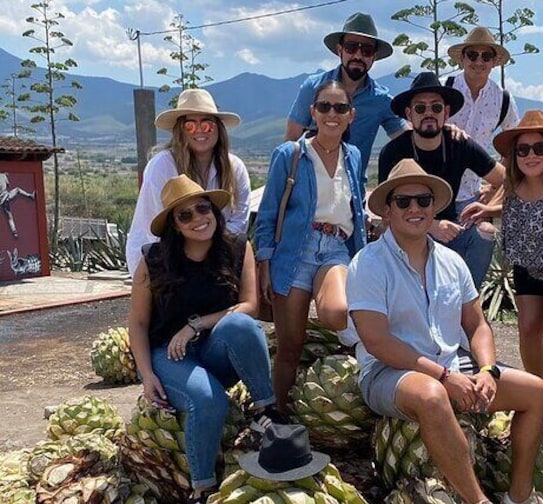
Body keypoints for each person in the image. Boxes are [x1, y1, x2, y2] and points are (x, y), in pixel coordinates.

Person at [346, 159, 543, 504]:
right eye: (404, 201)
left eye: (423, 200)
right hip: (390, 374)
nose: (414, 209)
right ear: (387, 209)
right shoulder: (368, 264)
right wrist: (444, 375)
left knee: (538, 392)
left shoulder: (452, 262)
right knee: (431, 395)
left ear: (434, 207)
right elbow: (376, 340)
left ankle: (519, 499)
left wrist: (486, 368)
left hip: (455, 368)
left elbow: (478, 325)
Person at [127, 175, 285, 504]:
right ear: (174, 226)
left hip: (215, 349)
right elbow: (137, 323)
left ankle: (266, 411)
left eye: (203, 208)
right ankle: (200, 493)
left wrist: (195, 324)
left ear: (214, 209)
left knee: (239, 325)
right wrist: (146, 375)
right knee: (207, 398)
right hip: (170, 356)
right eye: (185, 215)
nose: (198, 218)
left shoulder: (236, 247)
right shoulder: (153, 261)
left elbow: (249, 306)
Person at [460, 109, 543, 443]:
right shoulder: (514, 184)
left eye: (538, 148)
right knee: (528, 330)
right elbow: (522, 208)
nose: (530, 155)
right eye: (522, 149)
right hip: (529, 266)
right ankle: (538, 390)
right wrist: (490, 209)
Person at [256, 81, 367, 414]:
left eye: (340, 108)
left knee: (337, 313)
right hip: (294, 252)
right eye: (325, 107)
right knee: (290, 345)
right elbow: (269, 210)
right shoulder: (291, 154)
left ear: (351, 115)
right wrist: (264, 261)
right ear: (313, 112)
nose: (332, 114)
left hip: (335, 247)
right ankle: (280, 415)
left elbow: (356, 208)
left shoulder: (355, 156)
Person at [378, 72, 506, 289]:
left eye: (436, 107)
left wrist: (489, 207)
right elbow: (384, 210)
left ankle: (466, 304)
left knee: (485, 233)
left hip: (451, 229)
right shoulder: (393, 152)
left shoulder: (460, 144)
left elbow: (508, 180)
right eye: (420, 108)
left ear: (446, 112)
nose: (429, 113)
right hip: (407, 230)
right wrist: (431, 225)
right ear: (409, 114)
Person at [126, 89, 250, 275]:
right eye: (190, 125)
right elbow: (158, 226)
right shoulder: (162, 166)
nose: (199, 130)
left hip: (217, 260)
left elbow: (239, 221)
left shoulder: (235, 168)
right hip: (164, 261)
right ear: (180, 131)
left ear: (218, 128)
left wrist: (209, 250)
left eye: (207, 124)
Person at [285, 12, 407, 185]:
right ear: (339, 50)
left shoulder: (381, 100)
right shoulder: (312, 87)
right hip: (309, 186)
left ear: (374, 56)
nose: (358, 55)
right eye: (351, 47)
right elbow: (291, 137)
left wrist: (443, 128)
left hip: (353, 190)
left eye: (366, 50)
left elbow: (406, 137)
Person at [444, 26, 520, 284]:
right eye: (472, 55)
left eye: (485, 56)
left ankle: (470, 305)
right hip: (434, 191)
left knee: (485, 236)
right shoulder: (446, 88)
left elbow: (514, 144)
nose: (478, 61)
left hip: (471, 195)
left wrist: (494, 190)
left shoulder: (503, 100)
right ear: (462, 58)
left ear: (494, 62)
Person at [0, 172, 36, 239]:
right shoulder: (3, 176)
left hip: (2, 201)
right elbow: (8, 185)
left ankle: (14, 232)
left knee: (9, 217)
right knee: (17, 190)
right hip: (6, 197)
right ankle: (30, 196)